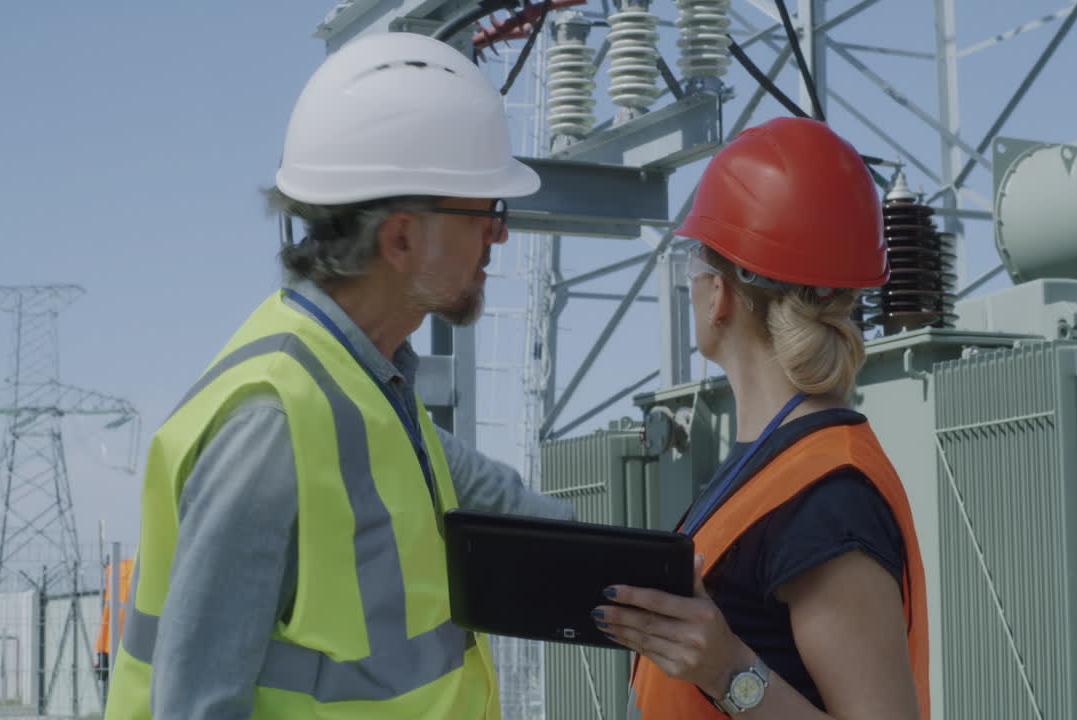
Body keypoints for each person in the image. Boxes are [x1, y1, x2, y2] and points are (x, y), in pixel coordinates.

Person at [104, 31, 571, 720]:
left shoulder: (370, 388)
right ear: (402, 239)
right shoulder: (272, 421)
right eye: (486, 214)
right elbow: (198, 704)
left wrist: (665, 566)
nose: (499, 237)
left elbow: (493, 495)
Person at [596, 118, 929, 720]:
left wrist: (727, 670)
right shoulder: (772, 467)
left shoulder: (828, 499)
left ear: (719, 293)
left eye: (695, 259)